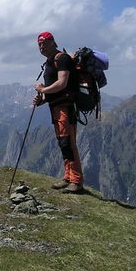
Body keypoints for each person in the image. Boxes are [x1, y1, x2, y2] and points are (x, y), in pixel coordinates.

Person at [32, 31, 84, 193]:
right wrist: (42, 99)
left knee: (69, 142)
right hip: (55, 107)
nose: (41, 47)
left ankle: (76, 180)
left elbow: (62, 83)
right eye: (39, 44)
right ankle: (67, 177)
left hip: (66, 107)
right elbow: (54, 91)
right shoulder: (49, 63)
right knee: (63, 143)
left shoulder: (62, 59)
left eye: (44, 43)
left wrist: (42, 89)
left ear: (53, 42)